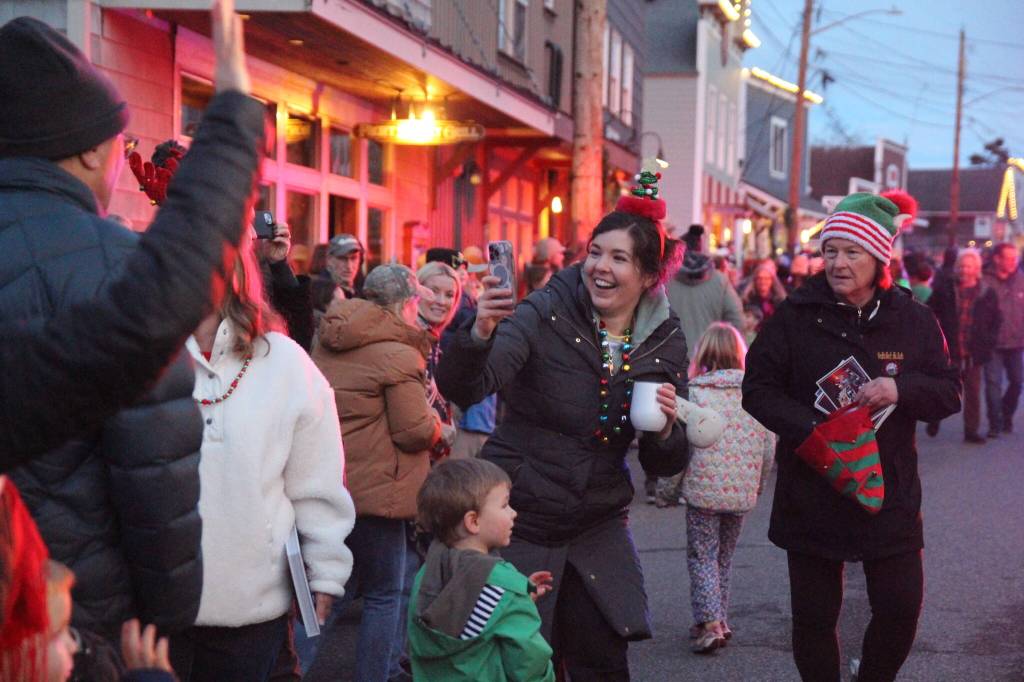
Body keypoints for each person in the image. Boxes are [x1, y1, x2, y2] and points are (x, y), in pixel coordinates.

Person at [0, 1, 259, 660]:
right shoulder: (112, 261)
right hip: (78, 619)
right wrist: (165, 621)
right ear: (91, 148)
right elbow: (154, 468)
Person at [436, 174, 689, 680]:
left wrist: (665, 433)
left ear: (647, 276)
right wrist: (480, 331)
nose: (600, 267)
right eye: (596, 252)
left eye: (619, 258)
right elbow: (470, 386)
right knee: (521, 662)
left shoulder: (664, 338)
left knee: (604, 660)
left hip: (597, 520)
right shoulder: (544, 311)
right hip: (521, 516)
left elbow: (664, 463)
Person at [742, 192, 960, 682]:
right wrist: (815, 430)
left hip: (890, 491)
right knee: (814, 619)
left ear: (879, 255)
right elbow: (756, 389)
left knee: (901, 607)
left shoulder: (914, 320)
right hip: (812, 490)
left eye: (851, 252)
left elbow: (950, 392)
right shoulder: (796, 316)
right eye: (830, 251)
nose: (838, 263)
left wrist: (899, 389)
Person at [168, 229, 355, 681]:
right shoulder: (138, 355)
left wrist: (324, 571)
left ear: (235, 271)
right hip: (154, 602)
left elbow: (316, 479)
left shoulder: (284, 363)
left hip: (252, 604)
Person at [305, 264, 442, 681]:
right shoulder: (399, 353)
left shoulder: (328, 341)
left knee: (333, 589)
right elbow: (414, 431)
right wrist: (439, 423)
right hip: (380, 492)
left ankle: (288, 669)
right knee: (386, 593)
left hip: (333, 482)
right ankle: (376, 675)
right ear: (405, 304)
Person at [660, 323, 774, 654]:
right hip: (740, 491)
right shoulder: (754, 395)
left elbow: (679, 451)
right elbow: (768, 448)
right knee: (724, 556)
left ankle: (710, 623)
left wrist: (668, 492)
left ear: (703, 353)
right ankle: (718, 617)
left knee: (702, 555)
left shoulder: (694, 394)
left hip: (702, 492)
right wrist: (757, 486)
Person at [408, 458, 555, 682]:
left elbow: (459, 605)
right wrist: (514, 597)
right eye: (505, 505)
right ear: (473, 521)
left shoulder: (428, 571)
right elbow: (529, 661)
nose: (513, 512)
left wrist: (516, 597)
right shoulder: (505, 588)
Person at [927, 249, 1001, 443]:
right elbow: (928, 311)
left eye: (968, 266)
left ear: (977, 269)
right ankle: (934, 416)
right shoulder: (945, 289)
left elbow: (996, 320)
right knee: (944, 389)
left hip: (973, 353)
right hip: (949, 351)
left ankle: (971, 431)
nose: (964, 270)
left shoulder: (987, 292)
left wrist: (988, 343)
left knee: (973, 394)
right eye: (961, 266)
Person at [666, 224, 744, 361]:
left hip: (670, 360)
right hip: (708, 360)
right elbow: (736, 321)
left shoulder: (665, 280)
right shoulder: (720, 281)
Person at [416, 261, 463, 459]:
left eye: (449, 295)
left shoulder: (436, 341)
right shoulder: (409, 336)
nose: (441, 301)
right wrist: (438, 427)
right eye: (433, 291)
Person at [982, 242, 1024, 437]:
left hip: (1017, 342)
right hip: (992, 342)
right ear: (997, 259)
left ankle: (1006, 414)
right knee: (993, 383)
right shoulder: (984, 280)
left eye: (1015, 258)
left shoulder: (1021, 279)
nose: (1013, 262)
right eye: (1009, 258)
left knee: (1017, 382)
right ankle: (995, 423)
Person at [740, 261, 787, 332]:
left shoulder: (779, 300)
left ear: (772, 281)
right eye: (759, 278)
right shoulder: (747, 300)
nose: (763, 282)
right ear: (754, 281)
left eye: (766, 278)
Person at [322, 233, 366, 299]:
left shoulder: (364, 291)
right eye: (342, 258)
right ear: (329, 260)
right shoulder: (319, 293)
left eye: (354, 258)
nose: (349, 266)